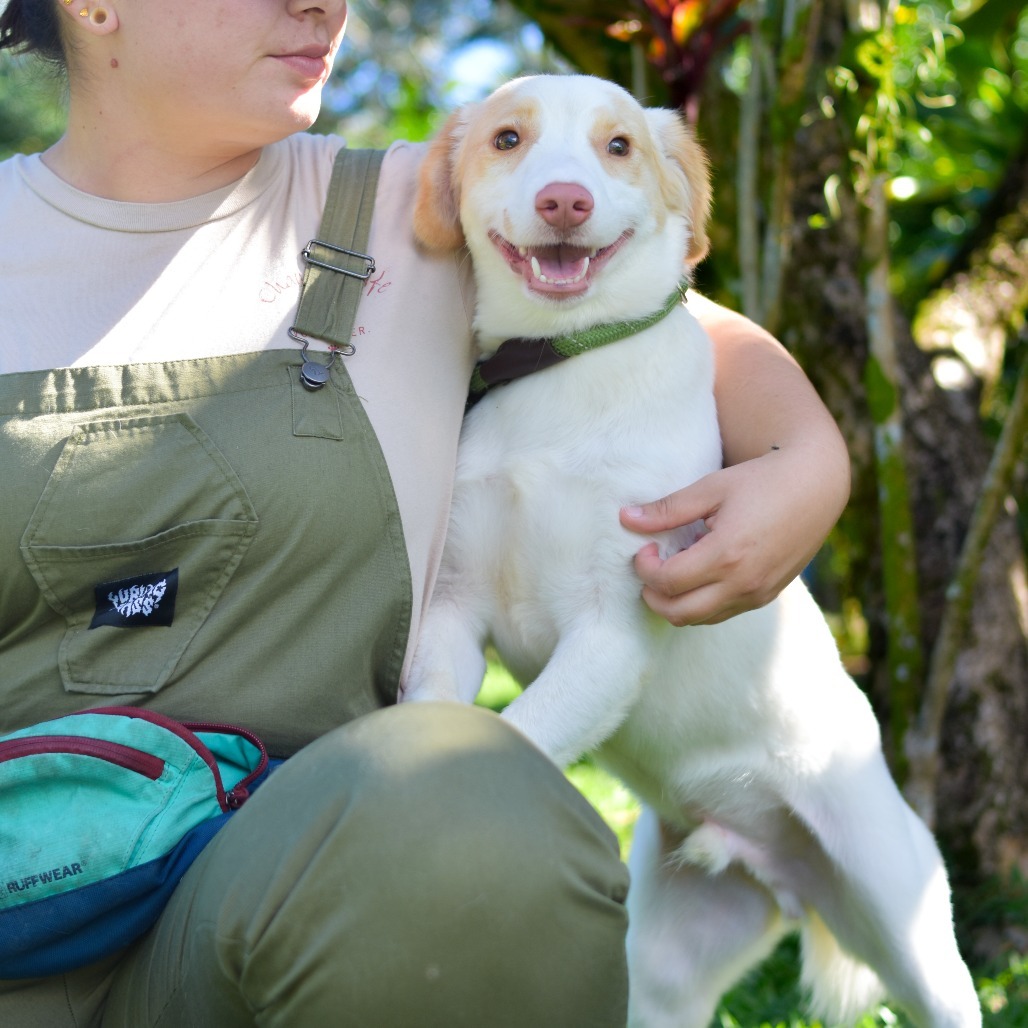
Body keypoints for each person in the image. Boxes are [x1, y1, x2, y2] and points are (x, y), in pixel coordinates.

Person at [0, 1, 850, 1025]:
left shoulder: (429, 206)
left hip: (307, 896)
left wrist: (808, 467)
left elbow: (681, 333)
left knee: (469, 809)